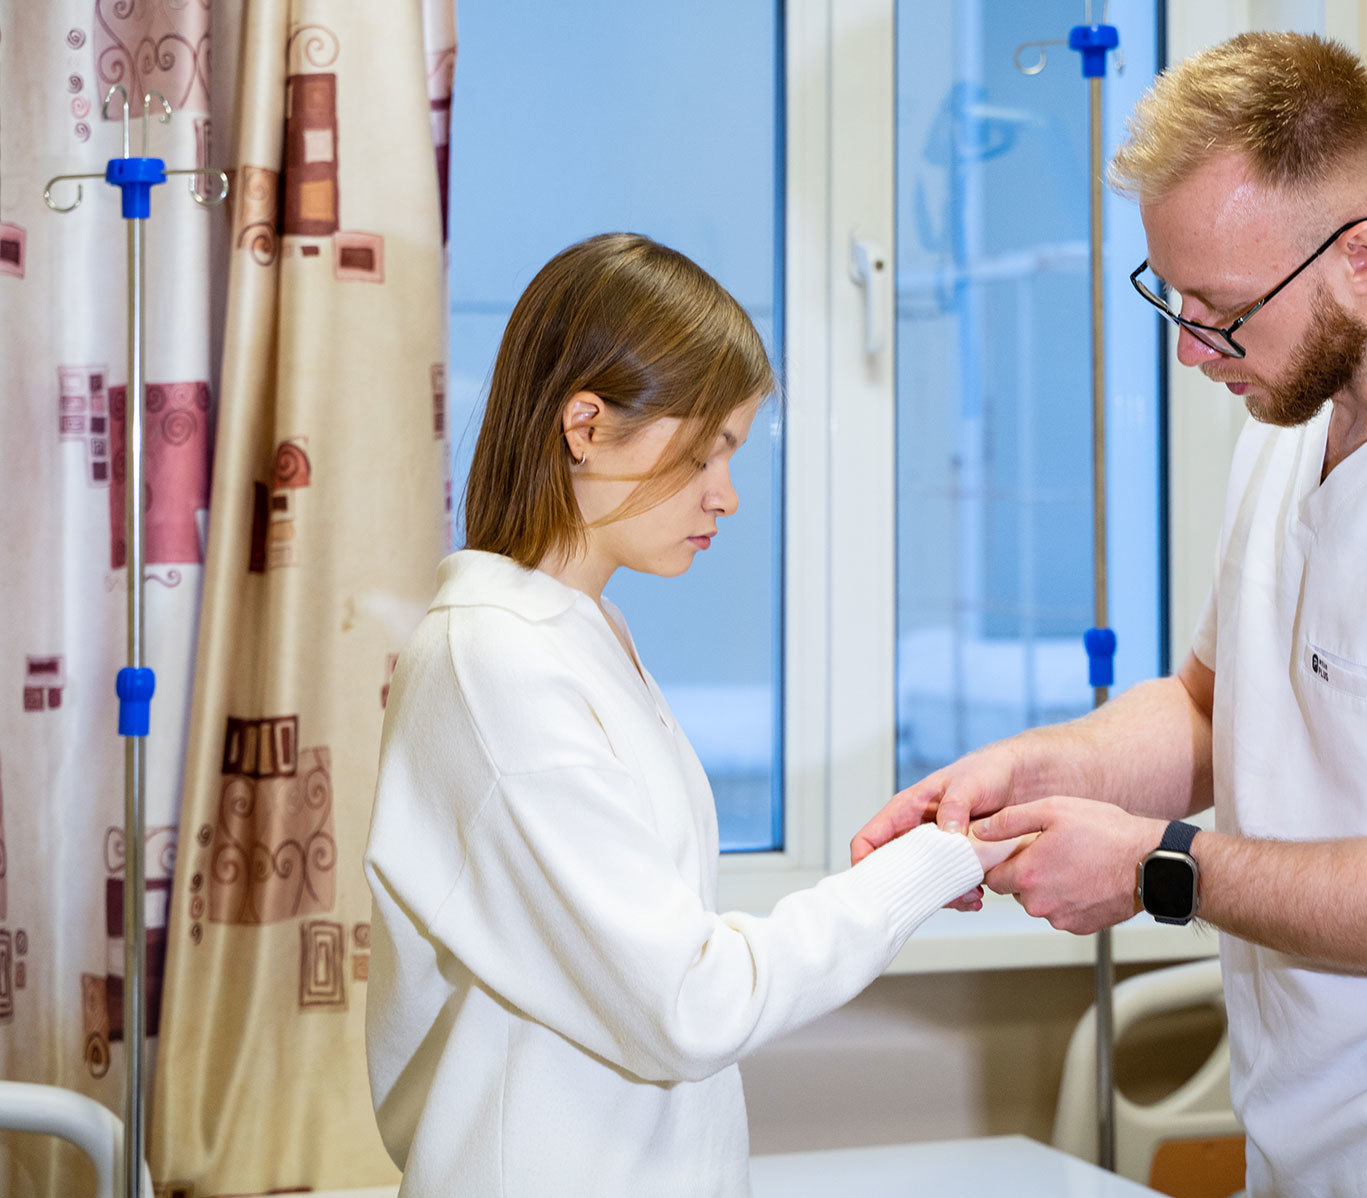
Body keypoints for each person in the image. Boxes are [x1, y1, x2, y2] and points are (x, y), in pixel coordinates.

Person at [854, 33, 1367, 1198]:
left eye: (1224, 309)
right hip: (1317, 1145)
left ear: (1364, 256)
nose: (1192, 348)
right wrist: (1034, 770)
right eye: (1173, 296)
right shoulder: (1291, 433)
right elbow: (1213, 710)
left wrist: (1160, 868)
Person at [364, 233, 1021, 1197]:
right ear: (585, 425)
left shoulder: (584, 634)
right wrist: (932, 864)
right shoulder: (493, 662)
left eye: (733, 453)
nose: (728, 496)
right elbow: (689, 1001)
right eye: (706, 450)